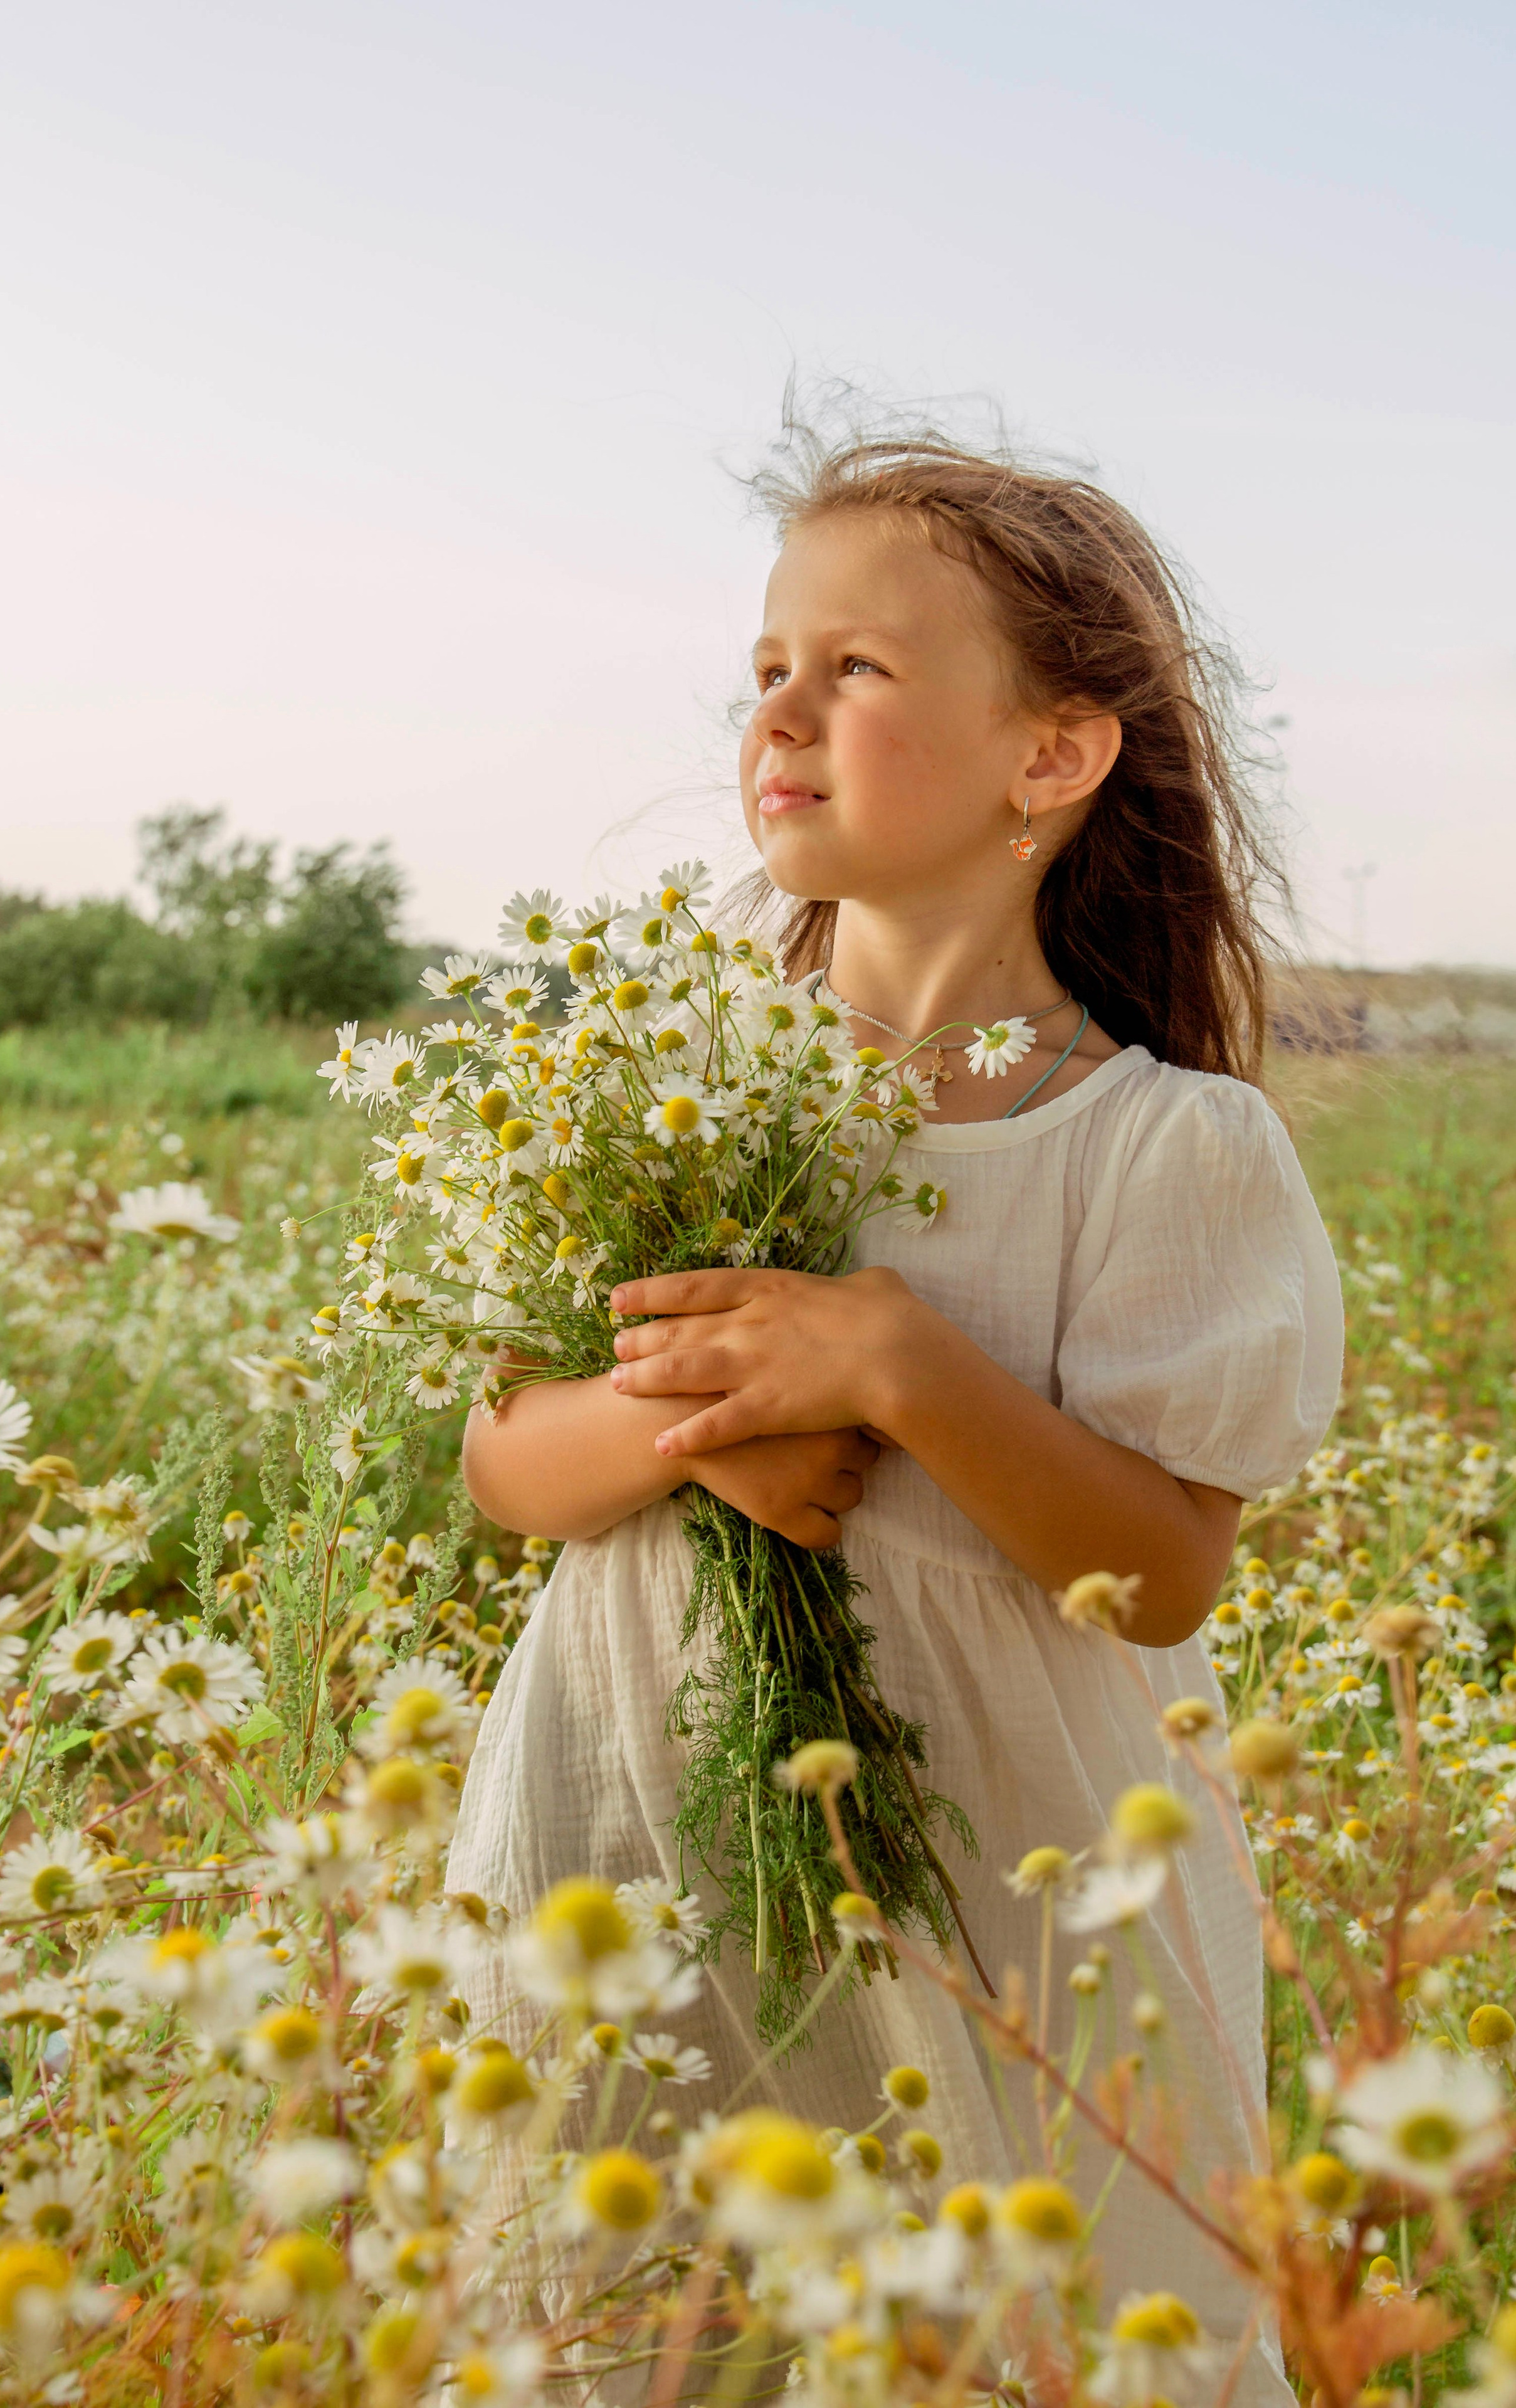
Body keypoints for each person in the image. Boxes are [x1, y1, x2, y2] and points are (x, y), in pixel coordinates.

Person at [448, 425, 1342, 2400]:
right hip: (642, 1831)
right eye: (771, 662)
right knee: (637, 2324)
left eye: (859, 668)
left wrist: (893, 1365)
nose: (782, 705)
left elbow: (1166, 1575)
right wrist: (706, 1426)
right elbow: (508, 1462)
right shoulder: (651, 1078)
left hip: (1009, 1870)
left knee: (1027, 2329)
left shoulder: (1162, 1145)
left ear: (1057, 756)